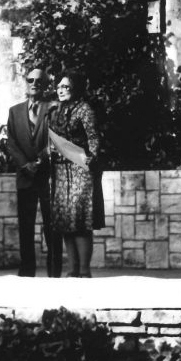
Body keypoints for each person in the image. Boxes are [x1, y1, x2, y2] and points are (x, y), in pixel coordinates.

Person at [48, 70, 104, 278]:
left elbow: (93, 138)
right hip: (61, 171)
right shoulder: (55, 112)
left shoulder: (84, 110)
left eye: (66, 87)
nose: (61, 90)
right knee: (66, 222)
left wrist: (92, 157)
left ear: (76, 88)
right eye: (59, 87)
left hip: (80, 169)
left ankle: (84, 270)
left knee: (80, 221)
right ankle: (72, 269)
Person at [6, 67, 61, 277]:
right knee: (26, 225)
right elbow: (11, 143)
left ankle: (54, 270)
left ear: (46, 84)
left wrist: (41, 159)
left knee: (52, 225)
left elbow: (57, 137)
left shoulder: (53, 108)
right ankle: (27, 268)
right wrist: (25, 165)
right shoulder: (14, 111)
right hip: (25, 176)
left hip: (47, 175)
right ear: (25, 81)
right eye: (30, 80)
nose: (34, 84)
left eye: (39, 81)